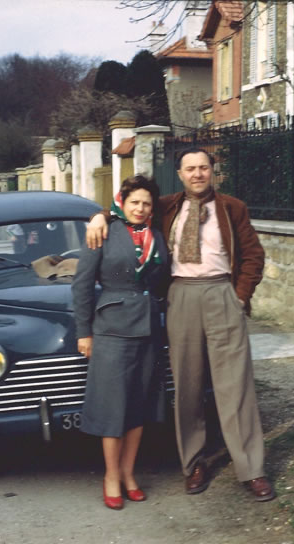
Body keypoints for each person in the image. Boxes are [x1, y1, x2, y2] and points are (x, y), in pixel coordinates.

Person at [86, 149, 274, 502]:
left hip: (221, 293)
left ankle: (252, 469)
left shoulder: (233, 207)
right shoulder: (167, 205)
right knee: (187, 384)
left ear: (213, 172)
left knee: (235, 385)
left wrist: (240, 296)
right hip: (181, 296)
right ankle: (194, 464)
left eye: (203, 168)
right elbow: (126, 208)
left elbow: (253, 255)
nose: (197, 174)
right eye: (191, 169)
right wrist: (98, 216)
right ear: (181, 173)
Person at [72, 175, 169, 511]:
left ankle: (129, 474)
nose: (140, 209)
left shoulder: (157, 235)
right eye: (134, 202)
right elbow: (82, 286)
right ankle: (111, 476)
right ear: (122, 202)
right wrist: (84, 332)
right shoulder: (103, 231)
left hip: (148, 329)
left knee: (139, 407)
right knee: (113, 408)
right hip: (111, 329)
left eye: (146, 204)